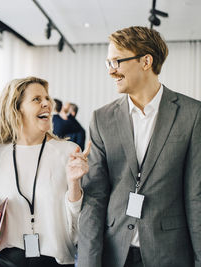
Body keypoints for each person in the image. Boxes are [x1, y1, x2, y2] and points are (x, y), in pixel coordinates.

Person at [78, 26, 201, 267]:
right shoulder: (101, 119)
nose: (111, 72)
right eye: (108, 64)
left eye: (117, 62)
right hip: (115, 252)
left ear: (146, 61)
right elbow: (94, 198)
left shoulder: (192, 114)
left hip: (170, 253)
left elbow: (196, 196)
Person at [0, 77, 90, 266]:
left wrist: (74, 185)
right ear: (17, 107)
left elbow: (79, 224)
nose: (47, 103)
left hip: (54, 259)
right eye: (37, 99)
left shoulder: (69, 152)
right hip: (5, 259)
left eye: (47, 98)